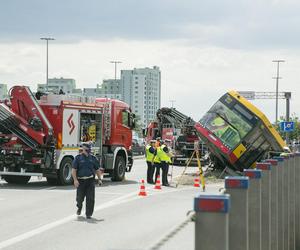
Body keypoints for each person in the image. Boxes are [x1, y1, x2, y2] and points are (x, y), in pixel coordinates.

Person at [72, 143, 103, 219]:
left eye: (89, 149)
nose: (88, 151)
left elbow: (97, 169)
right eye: (86, 149)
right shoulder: (78, 158)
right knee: (79, 198)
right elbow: (74, 170)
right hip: (81, 181)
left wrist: (99, 179)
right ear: (83, 149)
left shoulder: (93, 158)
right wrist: (75, 180)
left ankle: (88, 214)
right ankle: (79, 207)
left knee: (90, 198)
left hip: (90, 181)